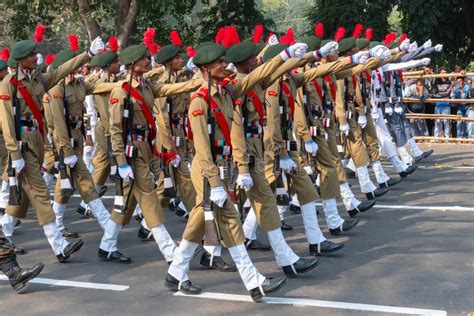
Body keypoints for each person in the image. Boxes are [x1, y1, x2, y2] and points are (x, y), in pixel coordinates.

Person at [166, 42, 308, 302]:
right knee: (231, 221)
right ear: (205, 69)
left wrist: (285, 56)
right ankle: (255, 283)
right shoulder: (199, 101)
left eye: (224, 60)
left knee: (199, 218)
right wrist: (215, 183)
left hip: (224, 166)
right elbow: (202, 148)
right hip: (208, 169)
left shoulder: (227, 91)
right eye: (218, 63)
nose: (224, 65)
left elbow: (257, 75)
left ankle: (175, 273)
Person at [0, 32, 105, 262]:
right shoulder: (9, 85)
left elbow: (62, 70)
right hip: (23, 143)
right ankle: (59, 246)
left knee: (24, 199)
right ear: (21, 59)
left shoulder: (38, 79)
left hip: (37, 141)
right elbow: (7, 121)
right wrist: (14, 153)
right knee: (40, 194)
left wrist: (87, 54)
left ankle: (4, 234)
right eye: (32, 55)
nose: (36, 57)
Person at [432, 67, 452, 138]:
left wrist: (440, 95)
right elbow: (434, 93)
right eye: (442, 72)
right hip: (438, 104)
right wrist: (442, 96)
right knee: (437, 122)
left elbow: (448, 92)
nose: (444, 74)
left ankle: (447, 138)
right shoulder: (436, 80)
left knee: (446, 122)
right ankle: (436, 137)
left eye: (445, 72)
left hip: (446, 104)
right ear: (439, 73)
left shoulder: (449, 81)